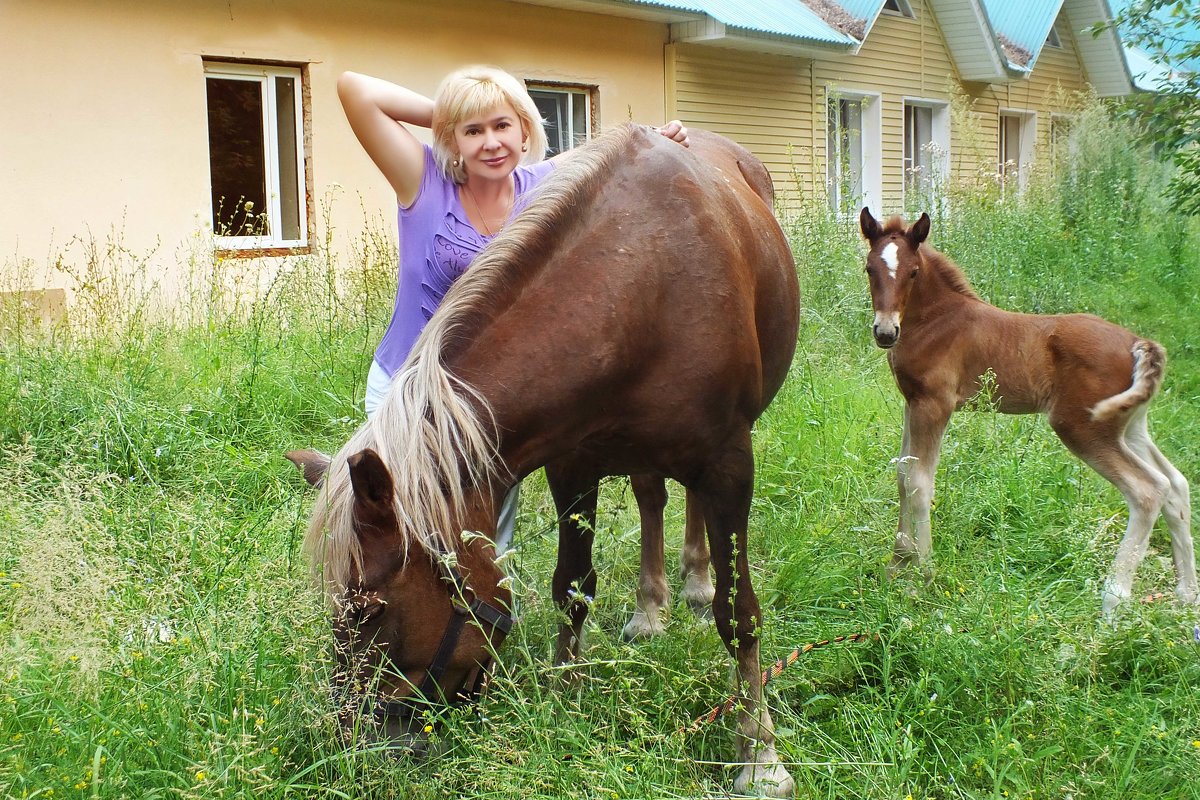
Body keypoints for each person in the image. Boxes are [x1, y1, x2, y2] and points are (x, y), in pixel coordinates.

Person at [337, 64, 688, 549]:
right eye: (473, 131)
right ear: (453, 139)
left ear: (525, 131)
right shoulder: (421, 179)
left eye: (502, 125)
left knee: (485, 528)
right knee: (401, 529)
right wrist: (455, 110)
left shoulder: (545, 188)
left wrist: (657, 136)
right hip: (404, 393)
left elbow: (617, 155)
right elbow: (355, 88)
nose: (490, 142)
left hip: (484, 402)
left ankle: (489, 618)